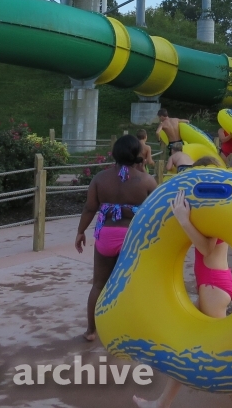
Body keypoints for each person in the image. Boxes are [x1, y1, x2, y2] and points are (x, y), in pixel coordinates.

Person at [133, 155, 232, 408]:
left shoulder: (218, 212)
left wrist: (184, 219)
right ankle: (161, 403)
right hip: (214, 285)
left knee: (224, 359)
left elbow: (207, 249)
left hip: (214, 288)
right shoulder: (211, 209)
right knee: (185, 348)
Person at [76, 135, 157, 342]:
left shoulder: (100, 179)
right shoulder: (147, 181)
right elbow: (156, 212)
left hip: (106, 235)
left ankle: (91, 331)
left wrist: (80, 232)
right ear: (137, 155)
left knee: (98, 284)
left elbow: (89, 208)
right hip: (132, 237)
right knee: (131, 286)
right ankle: (129, 331)